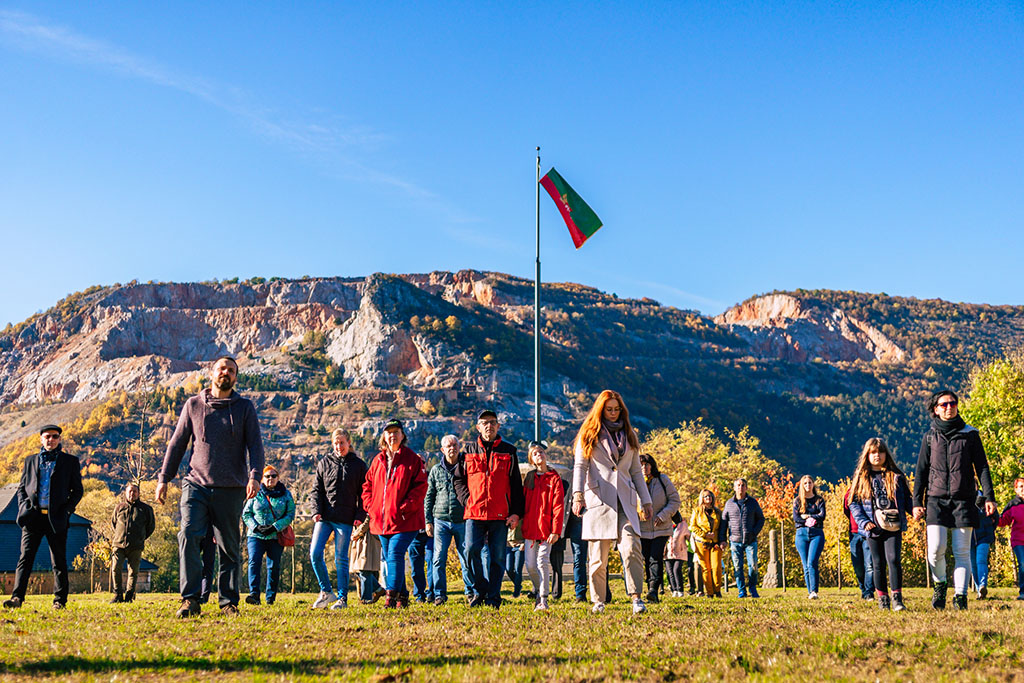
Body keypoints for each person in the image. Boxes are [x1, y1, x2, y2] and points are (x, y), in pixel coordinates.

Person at [156, 355, 265, 618]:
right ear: (211, 373)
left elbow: (256, 446)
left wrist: (255, 476)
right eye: (221, 368)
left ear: (235, 377)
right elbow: (177, 443)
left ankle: (228, 602)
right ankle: (190, 599)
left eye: (230, 370)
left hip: (231, 487)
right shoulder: (193, 405)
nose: (225, 372)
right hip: (196, 484)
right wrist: (163, 478)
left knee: (229, 546)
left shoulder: (244, 408)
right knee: (188, 535)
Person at [912, 389, 996, 611]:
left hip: (964, 500)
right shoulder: (929, 437)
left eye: (953, 403)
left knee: (961, 552)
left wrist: (989, 497)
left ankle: (960, 597)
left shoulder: (970, 434)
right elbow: (921, 470)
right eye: (944, 404)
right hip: (935, 500)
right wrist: (916, 502)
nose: (950, 407)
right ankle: (940, 585)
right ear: (935, 410)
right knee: (935, 550)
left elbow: (983, 468)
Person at [571, 391, 653, 614]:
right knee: (598, 557)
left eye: (617, 409)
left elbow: (636, 471)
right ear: (601, 410)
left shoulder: (629, 435)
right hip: (599, 501)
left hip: (625, 502)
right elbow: (580, 467)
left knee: (632, 547)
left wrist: (646, 501)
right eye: (610, 409)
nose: (614, 413)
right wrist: (577, 495)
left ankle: (636, 598)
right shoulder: (588, 435)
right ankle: (598, 601)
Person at [3, 424, 83, 610]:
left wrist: (67, 510)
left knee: (59, 561)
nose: (51, 439)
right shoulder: (30, 461)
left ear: (59, 439)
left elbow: (77, 490)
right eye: (47, 436)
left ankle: (59, 601)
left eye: (55, 436)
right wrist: (25, 507)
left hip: (56, 518)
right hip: (33, 517)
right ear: (41, 439)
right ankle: (17, 599)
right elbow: (22, 488)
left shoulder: (70, 462)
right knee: (25, 559)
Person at [453, 410, 525, 609]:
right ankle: (480, 589)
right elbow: (458, 480)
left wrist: (516, 512)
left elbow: (516, 484)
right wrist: (467, 500)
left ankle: (493, 597)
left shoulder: (509, 451)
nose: (489, 426)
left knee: (498, 557)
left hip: (500, 513)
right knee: (470, 551)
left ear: (498, 426)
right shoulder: (467, 451)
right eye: (484, 423)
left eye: (492, 422)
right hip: (474, 512)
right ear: (478, 427)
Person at [361, 419, 427, 608]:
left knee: (395, 555)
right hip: (382, 521)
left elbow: (421, 486)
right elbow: (367, 486)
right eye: (389, 432)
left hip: (406, 520)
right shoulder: (378, 460)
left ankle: (391, 595)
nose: (392, 435)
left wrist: (405, 508)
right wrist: (370, 506)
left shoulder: (412, 459)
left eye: (396, 431)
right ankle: (403, 597)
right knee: (391, 557)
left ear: (402, 435)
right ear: (384, 436)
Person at [849, 439, 913, 611]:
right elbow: (853, 503)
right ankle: (882, 600)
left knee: (893, 560)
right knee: (877, 563)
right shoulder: (862, 478)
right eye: (873, 452)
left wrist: (916, 511)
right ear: (867, 455)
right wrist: (864, 522)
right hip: (873, 527)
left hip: (893, 525)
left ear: (886, 454)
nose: (877, 455)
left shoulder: (896, 476)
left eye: (880, 452)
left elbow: (907, 500)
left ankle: (897, 599)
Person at [310, 428, 367, 610]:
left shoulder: (358, 465)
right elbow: (316, 490)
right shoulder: (324, 462)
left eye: (342, 442)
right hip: (324, 517)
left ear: (349, 443)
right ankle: (326, 592)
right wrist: (315, 511)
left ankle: (342, 599)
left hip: (345, 519)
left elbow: (364, 494)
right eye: (335, 443)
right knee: (315, 554)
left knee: (341, 558)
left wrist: (359, 516)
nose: (338, 446)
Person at [425, 434, 471, 605]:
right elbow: (429, 496)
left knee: (466, 557)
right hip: (440, 521)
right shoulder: (436, 470)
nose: (452, 448)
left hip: (462, 520)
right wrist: (428, 521)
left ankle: (470, 591)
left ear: (459, 447)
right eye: (448, 446)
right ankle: (439, 594)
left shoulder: (466, 467)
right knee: (438, 559)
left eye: (455, 445)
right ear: (442, 450)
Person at [242, 466, 295, 606]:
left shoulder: (286, 494)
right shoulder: (256, 493)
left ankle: (270, 597)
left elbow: (290, 514)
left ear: (278, 478)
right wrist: (255, 527)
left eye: (273, 476)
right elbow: (246, 514)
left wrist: (275, 527)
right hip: (255, 535)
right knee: (254, 562)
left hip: (275, 536)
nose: (270, 478)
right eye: (267, 476)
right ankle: (254, 594)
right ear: (262, 479)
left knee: (274, 566)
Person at [522, 441, 564, 611]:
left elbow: (558, 506)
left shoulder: (554, 478)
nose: (539, 455)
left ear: (545, 455)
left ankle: (543, 599)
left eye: (541, 452)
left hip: (547, 530)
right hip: (530, 530)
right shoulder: (529, 478)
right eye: (535, 453)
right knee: (530, 565)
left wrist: (556, 530)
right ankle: (539, 590)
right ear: (531, 459)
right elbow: (523, 504)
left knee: (542, 562)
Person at [637, 454, 680, 603]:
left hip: (661, 527)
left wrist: (662, 515)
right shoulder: (634, 482)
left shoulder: (662, 480)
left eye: (646, 464)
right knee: (647, 559)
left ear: (652, 465)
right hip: (642, 528)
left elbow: (675, 500)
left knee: (655, 557)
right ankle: (651, 589)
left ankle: (653, 590)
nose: (644, 467)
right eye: (641, 465)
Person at [109, 482, 156, 603]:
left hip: (136, 546)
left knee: (133, 572)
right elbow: (114, 523)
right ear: (125, 493)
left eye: (134, 491)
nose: (132, 493)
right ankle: (117, 595)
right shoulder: (119, 507)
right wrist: (119, 536)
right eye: (130, 491)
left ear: (138, 493)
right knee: (115, 568)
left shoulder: (146, 509)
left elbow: (150, 527)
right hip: (118, 544)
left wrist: (141, 538)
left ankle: (129, 596)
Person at [721, 478, 765, 599]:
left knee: (753, 566)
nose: (740, 487)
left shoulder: (752, 502)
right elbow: (724, 522)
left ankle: (753, 589)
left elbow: (761, 519)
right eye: (738, 485)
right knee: (737, 567)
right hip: (735, 541)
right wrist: (723, 539)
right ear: (734, 488)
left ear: (746, 487)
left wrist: (754, 532)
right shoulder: (729, 504)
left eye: (743, 485)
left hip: (750, 541)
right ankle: (741, 591)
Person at [793, 475, 826, 599]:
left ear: (813, 484)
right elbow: (796, 518)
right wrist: (810, 517)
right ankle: (810, 591)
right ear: (802, 485)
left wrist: (807, 517)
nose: (808, 485)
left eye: (810, 483)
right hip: (801, 534)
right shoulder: (797, 501)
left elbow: (822, 515)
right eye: (805, 483)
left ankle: (814, 591)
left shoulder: (819, 500)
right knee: (805, 564)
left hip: (816, 534)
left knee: (812, 562)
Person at [690, 490, 724, 598]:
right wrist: (705, 534)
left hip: (715, 543)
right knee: (705, 568)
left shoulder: (718, 512)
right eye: (705, 496)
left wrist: (722, 540)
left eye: (709, 496)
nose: (708, 498)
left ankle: (717, 590)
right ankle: (709, 593)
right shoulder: (697, 511)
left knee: (717, 567)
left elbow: (722, 527)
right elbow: (693, 526)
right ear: (702, 498)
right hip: (702, 543)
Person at [843, 484, 874, 600]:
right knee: (857, 564)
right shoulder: (850, 492)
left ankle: (869, 591)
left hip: (869, 530)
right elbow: (846, 509)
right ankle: (863, 588)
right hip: (854, 532)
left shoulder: (871, 490)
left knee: (869, 563)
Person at [998, 479, 1024, 600]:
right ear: (1016, 489)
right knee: (1023, 564)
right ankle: (1023, 592)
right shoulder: (1012, 505)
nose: (1023, 489)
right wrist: (993, 517)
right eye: (1021, 486)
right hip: (1018, 541)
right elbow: (1004, 521)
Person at [349, 518, 383, 604]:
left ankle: (366, 598)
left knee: (364, 569)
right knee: (359, 570)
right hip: (359, 537)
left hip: (367, 538)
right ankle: (378, 589)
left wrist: (357, 533)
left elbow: (368, 519)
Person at [971, 494, 998, 600]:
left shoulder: (986, 498)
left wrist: (990, 529)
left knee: (981, 561)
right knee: (973, 565)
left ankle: (983, 585)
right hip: (969, 539)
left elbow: (996, 517)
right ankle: (979, 591)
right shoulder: (963, 498)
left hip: (984, 537)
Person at [665, 517, 690, 597]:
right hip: (668, 552)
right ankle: (674, 590)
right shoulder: (666, 524)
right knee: (670, 572)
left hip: (680, 552)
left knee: (676, 569)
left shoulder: (683, 525)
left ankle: (680, 590)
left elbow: (689, 536)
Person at [407, 531, 435, 603]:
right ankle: (419, 595)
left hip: (432, 532)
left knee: (432, 561)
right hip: (413, 533)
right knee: (416, 566)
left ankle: (432, 594)